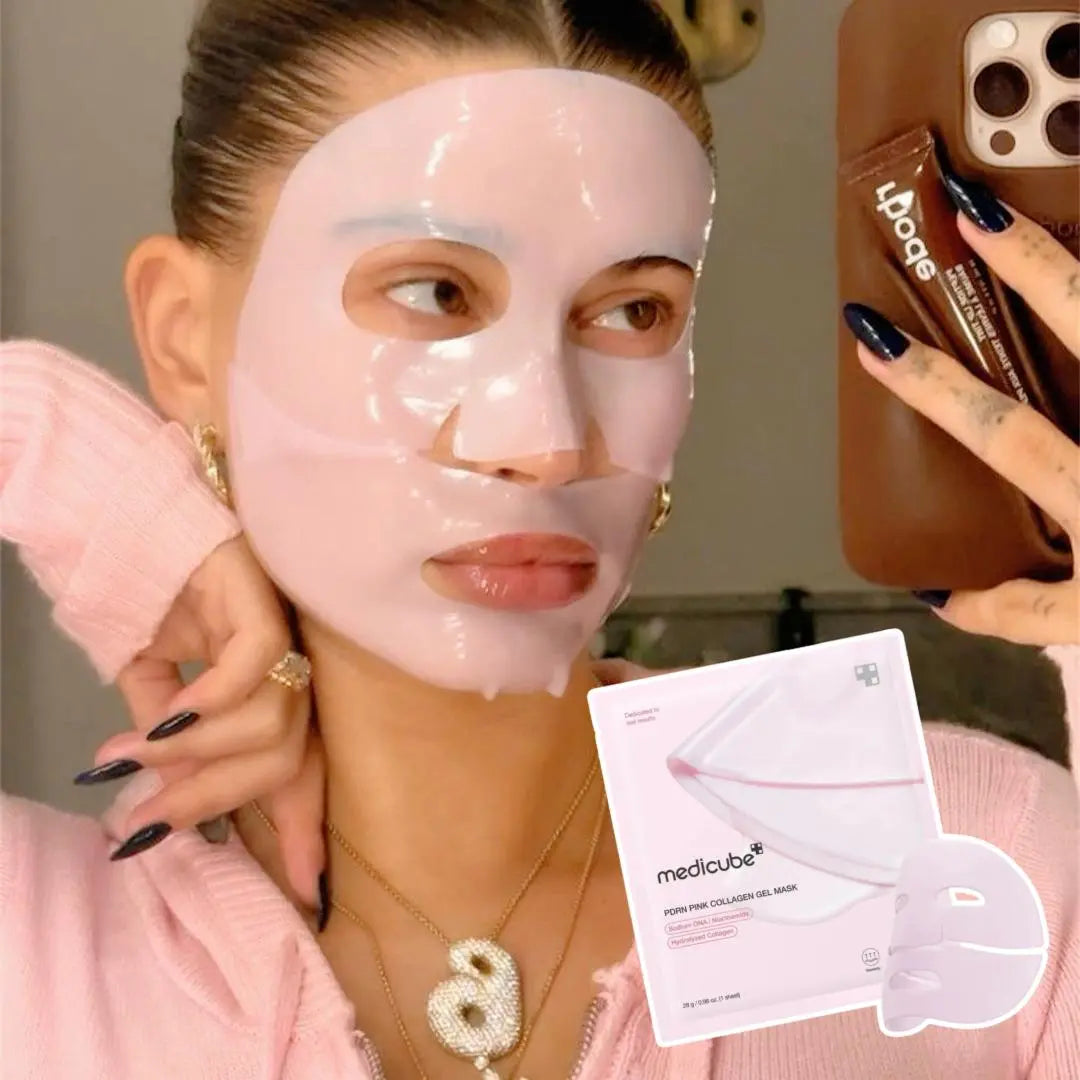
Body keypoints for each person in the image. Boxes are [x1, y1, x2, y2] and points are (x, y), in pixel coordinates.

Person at [1, 2, 1077, 1078]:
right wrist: (101, 487)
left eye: (634, 312)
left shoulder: (971, 865)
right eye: (435, 293)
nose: (551, 443)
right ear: (185, 337)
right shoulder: (32, 948)